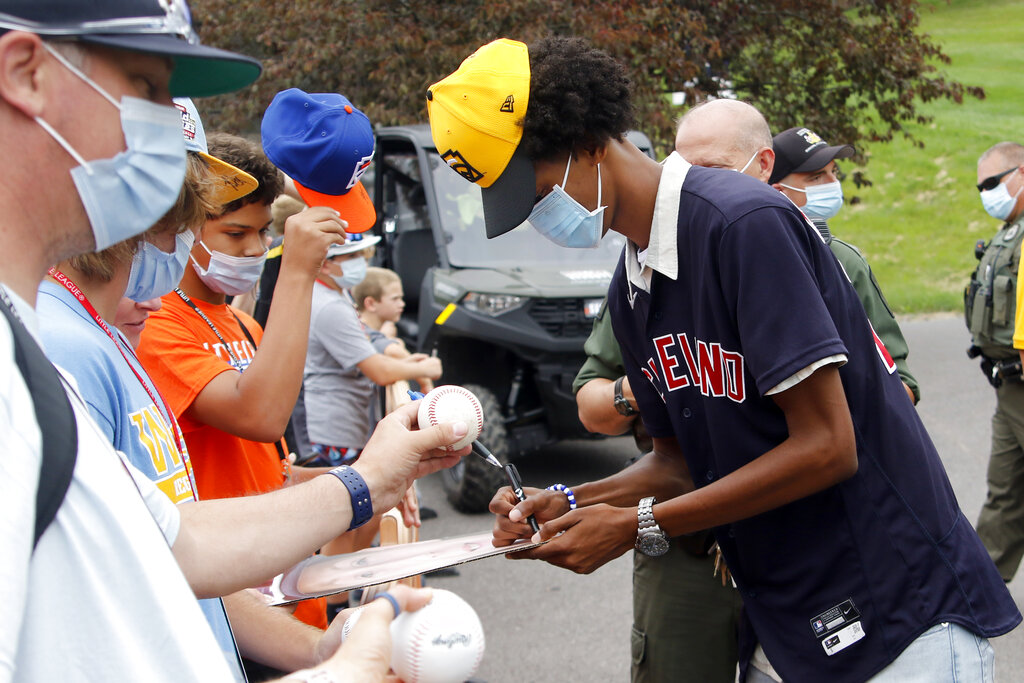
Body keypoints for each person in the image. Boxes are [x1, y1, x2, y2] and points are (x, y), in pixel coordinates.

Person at [427, 37, 1020, 682]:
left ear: (590, 145)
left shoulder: (742, 224)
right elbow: (679, 463)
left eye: (537, 190)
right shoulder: (634, 280)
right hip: (789, 623)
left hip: (894, 610)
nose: (537, 215)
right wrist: (572, 500)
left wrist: (635, 526)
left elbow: (828, 444)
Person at [0, 3, 467, 680]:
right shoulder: (47, 347)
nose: (170, 124)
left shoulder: (32, 340)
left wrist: (368, 480)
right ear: (25, 72)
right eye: (147, 86)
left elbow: (174, 543)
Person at [136, 131, 334, 638]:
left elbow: (271, 471)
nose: (256, 248)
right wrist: (296, 272)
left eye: (264, 232)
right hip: (231, 606)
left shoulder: (243, 325)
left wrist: (374, 477)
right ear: (180, 227)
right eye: (235, 233)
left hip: (282, 593)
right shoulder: (156, 325)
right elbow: (260, 415)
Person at [765, 124, 919, 404]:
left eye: (833, 173)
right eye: (816, 177)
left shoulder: (846, 260)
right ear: (778, 191)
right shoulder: (753, 262)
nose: (832, 183)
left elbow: (902, 382)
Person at [971, 141, 1024, 582]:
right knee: (1005, 485)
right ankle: (984, 582)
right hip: (1008, 385)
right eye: (981, 187)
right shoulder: (1010, 231)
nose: (987, 192)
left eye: (993, 182)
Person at [354, 266, 405, 341]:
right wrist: (387, 340)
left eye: (401, 298)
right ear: (370, 304)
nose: (402, 304)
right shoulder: (361, 337)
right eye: (395, 299)